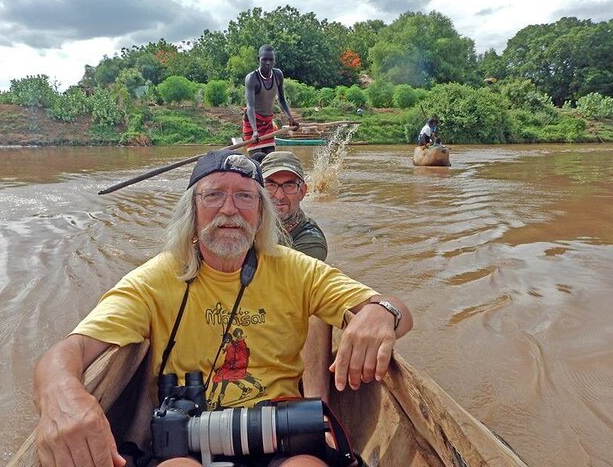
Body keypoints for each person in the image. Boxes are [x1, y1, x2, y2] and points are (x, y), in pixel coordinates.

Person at [33, 150, 412, 467]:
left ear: (260, 213)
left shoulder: (297, 269)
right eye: (213, 195)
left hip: (279, 432)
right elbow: (69, 350)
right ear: (192, 211)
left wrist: (382, 312)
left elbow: (399, 312)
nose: (229, 209)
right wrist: (61, 393)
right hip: (188, 443)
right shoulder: (156, 278)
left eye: (245, 197)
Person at [260, 152, 332, 402]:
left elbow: (283, 284)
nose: (279, 195)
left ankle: (317, 405)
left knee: (314, 306)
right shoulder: (242, 221)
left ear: (303, 191)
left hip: (283, 315)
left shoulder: (310, 239)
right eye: (270, 185)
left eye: (289, 185)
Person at [243, 45, 298, 160]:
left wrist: (290, 118)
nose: (268, 63)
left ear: (274, 60)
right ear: (258, 59)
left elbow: (282, 99)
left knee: (270, 162)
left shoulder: (278, 75)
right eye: (264, 59)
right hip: (253, 123)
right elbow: (250, 106)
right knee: (257, 161)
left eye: (271, 59)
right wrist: (255, 131)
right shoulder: (252, 78)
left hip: (267, 123)